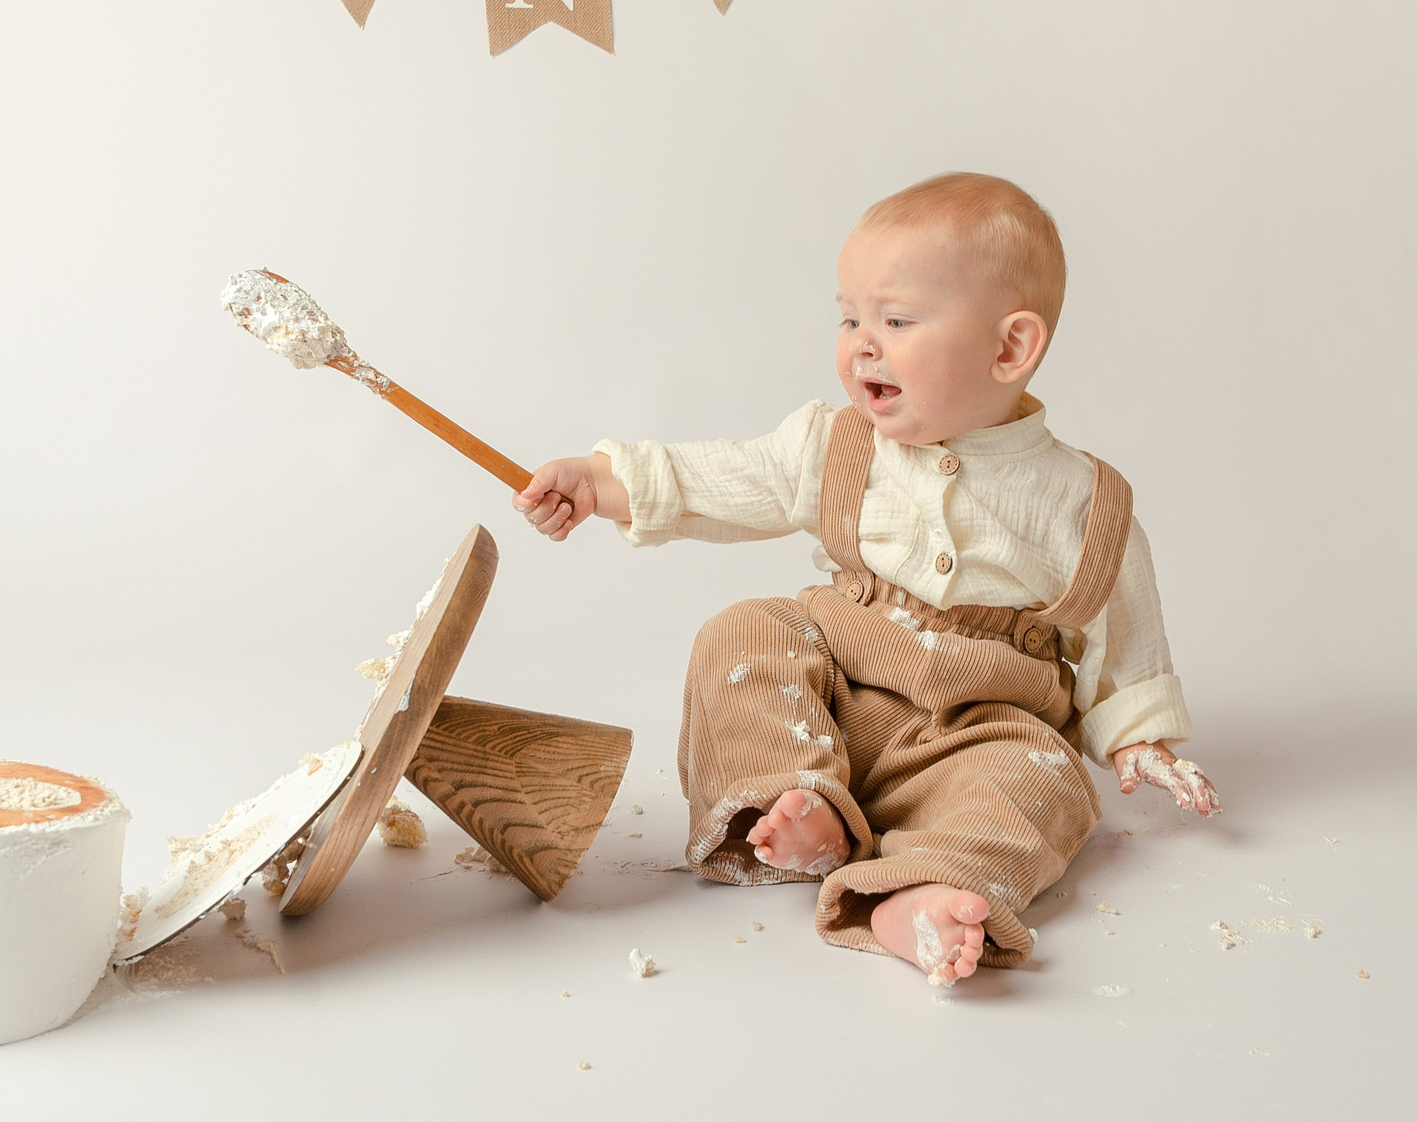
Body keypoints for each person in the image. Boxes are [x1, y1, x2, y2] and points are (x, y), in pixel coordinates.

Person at [516, 172, 1220, 986]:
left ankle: (919, 893)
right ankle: (794, 796)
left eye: (896, 320)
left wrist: (1137, 736)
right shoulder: (838, 444)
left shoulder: (1083, 502)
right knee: (745, 631)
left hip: (979, 731)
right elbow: (729, 476)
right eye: (849, 318)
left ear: (1009, 348)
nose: (862, 344)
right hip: (838, 698)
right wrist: (603, 483)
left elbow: (1122, 631)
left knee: (1043, 779)